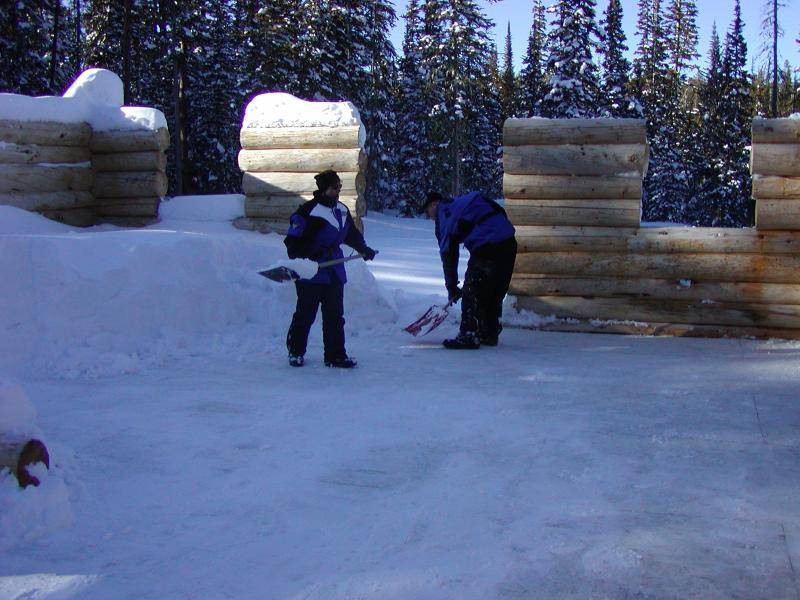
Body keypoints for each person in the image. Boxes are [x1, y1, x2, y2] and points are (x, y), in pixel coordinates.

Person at [283, 170, 377, 368]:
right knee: (305, 313)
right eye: (335, 187)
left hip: (334, 270)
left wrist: (364, 249)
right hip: (311, 271)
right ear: (324, 189)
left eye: (340, 187)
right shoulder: (308, 212)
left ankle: (335, 355)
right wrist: (310, 254)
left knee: (335, 315)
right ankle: (296, 351)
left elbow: (351, 234)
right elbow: (292, 243)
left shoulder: (341, 211)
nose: (338, 191)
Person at [423, 190, 517, 349]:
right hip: (508, 242)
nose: (429, 217)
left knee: (471, 290)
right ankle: (489, 332)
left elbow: (448, 252)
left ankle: (468, 335)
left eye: (427, 212)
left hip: (488, 245)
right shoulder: (465, 203)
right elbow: (497, 209)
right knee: (493, 290)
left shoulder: (444, 212)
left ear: (434, 204)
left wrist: (452, 286)